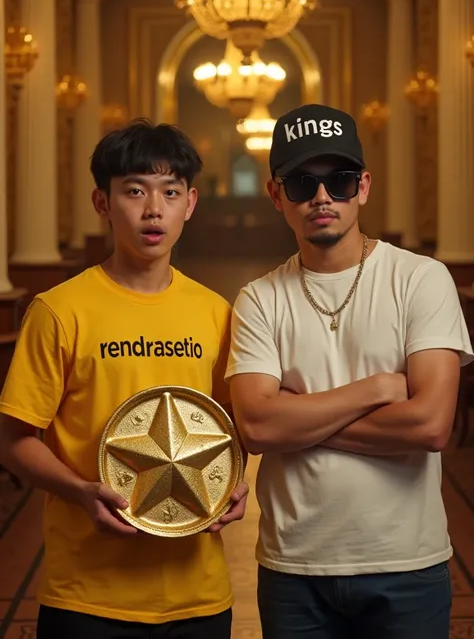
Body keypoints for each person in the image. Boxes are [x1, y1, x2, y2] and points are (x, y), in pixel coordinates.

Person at [225, 103, 473, 639]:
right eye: (301, 184)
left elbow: (430, 426)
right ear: (276, 195)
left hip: (407, 563)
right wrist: (379, 390)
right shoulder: (259, 299)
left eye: (337, 182)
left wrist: (298, 417)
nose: (321, 198)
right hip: (294, 569)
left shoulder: (421, 280)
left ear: (362, 187)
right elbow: (258, 429)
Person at [0, 120, 248, 639]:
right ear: (102, 202)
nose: (152, 209)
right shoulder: (60, 310)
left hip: (197, 595)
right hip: (87, 597)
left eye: (170, 192)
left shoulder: (216, 313)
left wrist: (238, 483)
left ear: (191, 204)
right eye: (134, 190)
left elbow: (231, 433)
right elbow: (14, 440)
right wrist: (80, 491)